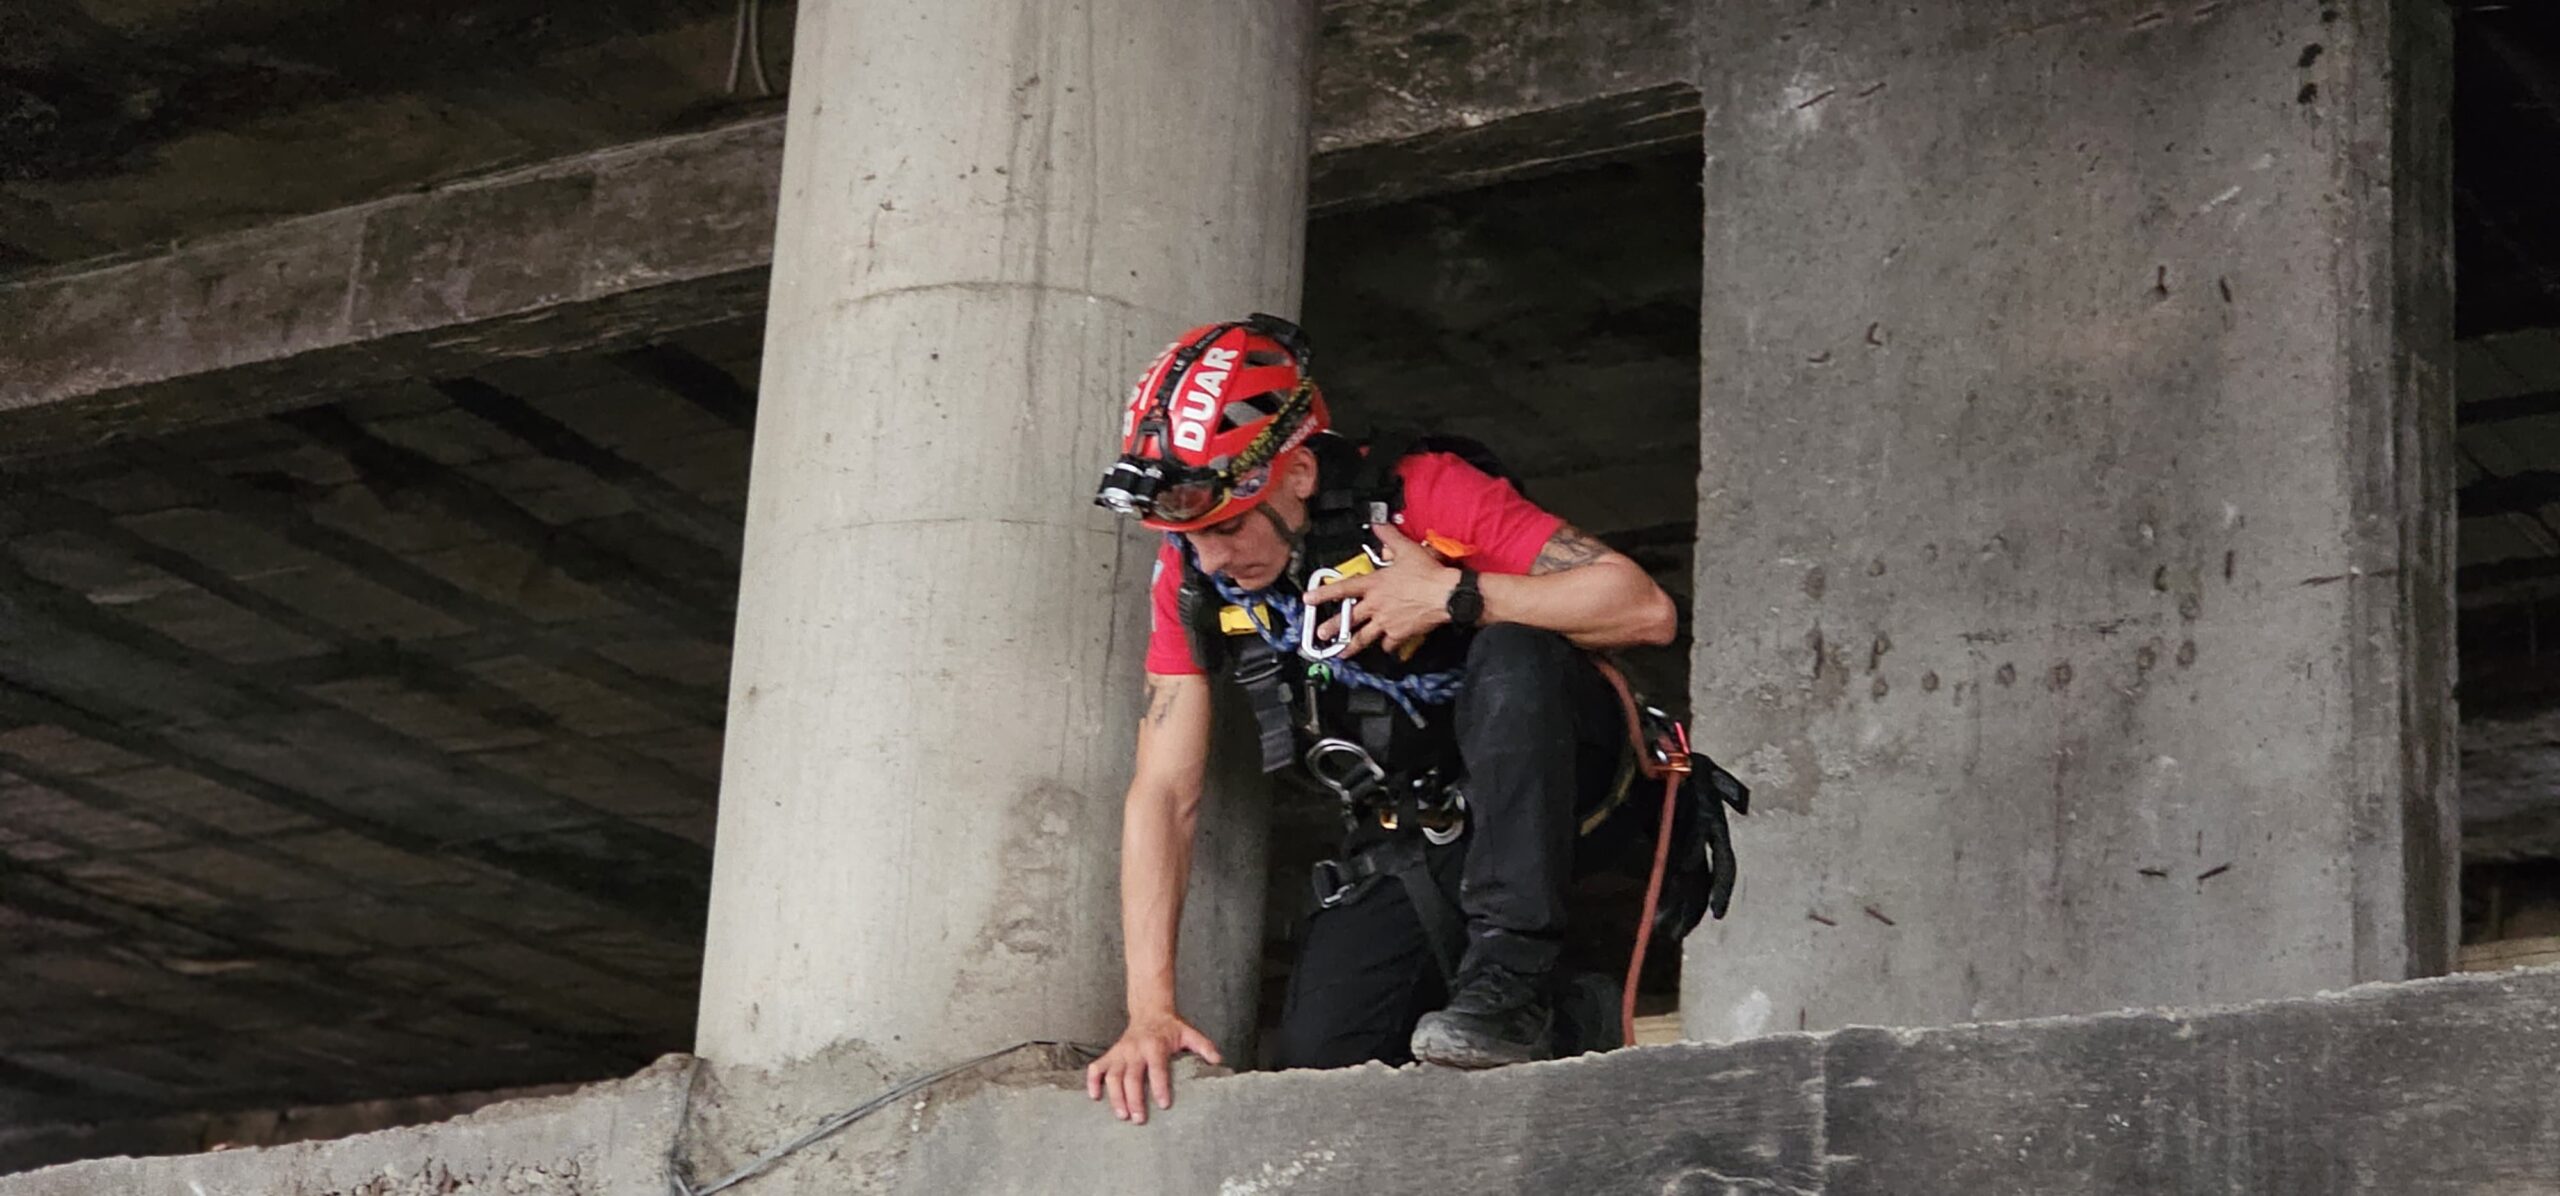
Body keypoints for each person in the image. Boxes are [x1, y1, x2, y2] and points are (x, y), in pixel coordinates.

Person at [1082, 314, 1679, 1125]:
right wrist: (1149, 1008)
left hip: (1566, 785)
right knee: (1314, 1084)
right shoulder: (1194, 574)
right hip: (1415, 827)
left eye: (1227, 525)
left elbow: (1645, 610)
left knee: (1514, 649)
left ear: (1295, 473)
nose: (1214, 557)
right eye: (1191, 536)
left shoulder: (1420, 492)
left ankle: (1511, 982)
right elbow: (1162, 790)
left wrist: (1453, 596)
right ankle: (1560, 1010)